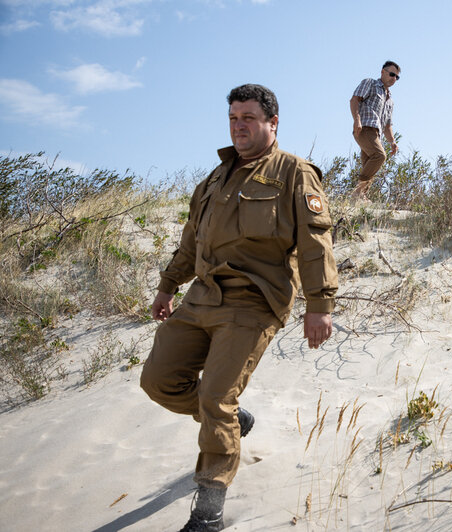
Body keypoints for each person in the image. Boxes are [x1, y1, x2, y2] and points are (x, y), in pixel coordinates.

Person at [140, 84, 338, 532]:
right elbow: (192, 240)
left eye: (248, 118)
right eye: (233, 118)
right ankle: (232, 419)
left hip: (253, 300)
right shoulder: (214, 178)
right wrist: (168, 286)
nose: (239, 126)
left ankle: (208, 510)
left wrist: (319, 304)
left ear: (273, 123)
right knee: (158, 380)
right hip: (202, 297)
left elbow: (315, 241)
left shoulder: (294, 172)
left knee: (215, 396)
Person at [350, 60, 400, 201]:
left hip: (376, 134)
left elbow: (387, 125)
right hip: (364, 128)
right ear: (382, 72)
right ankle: (357, 192)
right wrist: (356, 120)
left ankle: (360, 197)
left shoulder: (390, 100)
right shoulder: (370, 83)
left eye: (397, 77)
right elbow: (354, 100)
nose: (393, 78)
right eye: (391, 74)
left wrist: (392, 142)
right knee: (379, 156)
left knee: (370, 166)